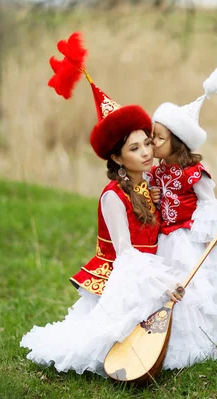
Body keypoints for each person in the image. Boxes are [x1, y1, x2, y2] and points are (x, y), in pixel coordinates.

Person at [20, 32, 182, 376]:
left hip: (150, 271)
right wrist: (160, 285)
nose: (146, 153)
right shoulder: (113, 196)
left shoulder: (148, 183)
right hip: (123, 277)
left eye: (146, 144)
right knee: (111, 342)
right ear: (117, 158)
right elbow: (126, 255)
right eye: (134, 149)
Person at [146, 65, 217, 369]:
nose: (152, 143)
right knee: (165, 287)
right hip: (163, 238)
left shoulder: (194, 174)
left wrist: (209, 231)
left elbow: (208, 204)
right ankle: (163, 334)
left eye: (158, 138)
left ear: (178, 141)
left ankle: (196, 336)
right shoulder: (155, 172)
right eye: (151, 136)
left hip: (186, 238)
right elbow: (154, 201)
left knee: (192, 289)